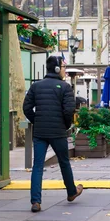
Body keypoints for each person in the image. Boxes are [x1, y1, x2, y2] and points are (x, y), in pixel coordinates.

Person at [23, 55, 83, 212]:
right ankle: (71, 192)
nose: (65, 70)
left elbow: (26, 107)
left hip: (40, 131)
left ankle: (36, 202)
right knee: (64, 162)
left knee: (37, 165)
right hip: (58, 132)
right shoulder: (65, 87)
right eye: (63, 67)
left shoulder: (36, 86)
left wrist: (36, 120)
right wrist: (65, 124)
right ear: (57, 69)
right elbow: (69, 110)